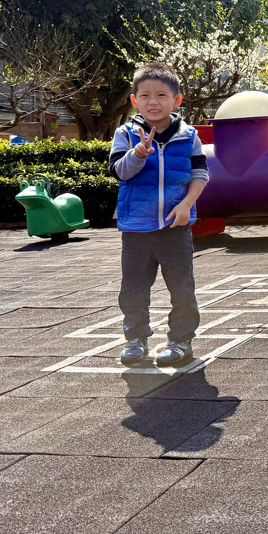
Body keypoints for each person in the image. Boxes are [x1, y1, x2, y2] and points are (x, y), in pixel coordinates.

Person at [108, 63, 208, 366]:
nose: (153, 102)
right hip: (136, 228)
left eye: (162, 95)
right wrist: (138, 153)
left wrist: (186, 204)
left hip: (175, 227)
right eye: (145, 95)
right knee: (133, 289)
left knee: (182, 287)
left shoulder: (188, 136)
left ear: (176, 101)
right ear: (134, 101)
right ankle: (136, 338)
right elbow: (119, 171)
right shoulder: (126, 134)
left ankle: (180, 341)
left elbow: (200, 174)